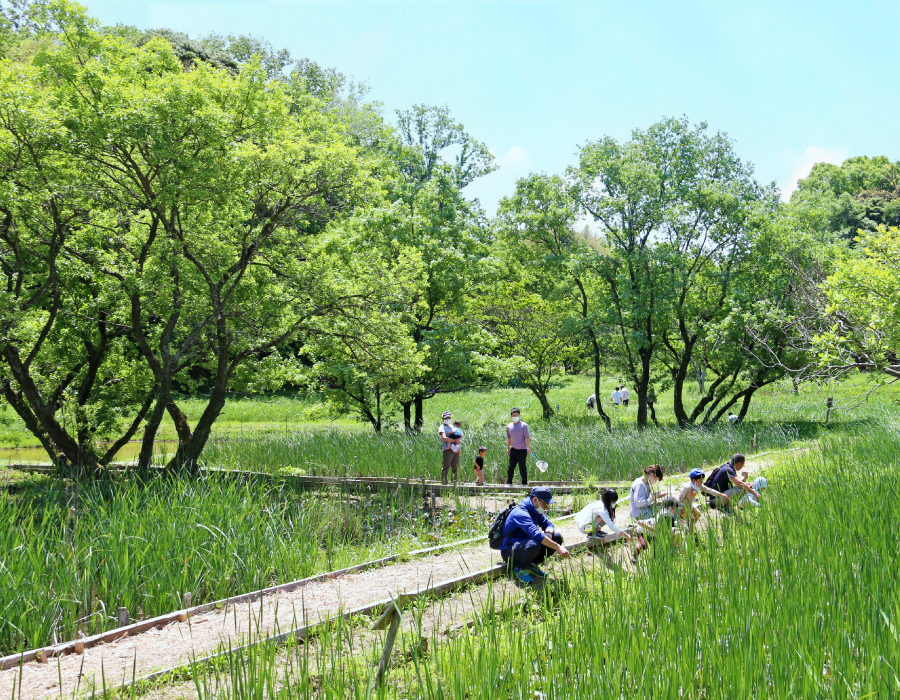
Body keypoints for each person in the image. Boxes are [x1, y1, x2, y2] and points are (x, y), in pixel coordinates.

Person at [499, 486, 570, 583]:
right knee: (535, 543)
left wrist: (549, 533)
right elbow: (535, 534)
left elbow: (548, 524)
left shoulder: (535, 510)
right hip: (510, 551)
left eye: (547, 505)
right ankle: (519, 568)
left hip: (525, 545)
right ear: (536, 500)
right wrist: (558, 548)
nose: (546, 508)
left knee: (556, 537)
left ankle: (531, 564)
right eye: (545, 504)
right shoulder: (520, 513)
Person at [677, 467, 728, 535]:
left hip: (689, 505)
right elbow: (680, 499)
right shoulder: (687, 487)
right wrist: (680, 509)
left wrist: (720, 494)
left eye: (702, 480)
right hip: (684, 506)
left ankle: (689, 529)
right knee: (692, 519)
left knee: (697, 515)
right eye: (700, 481)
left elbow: (708, 490)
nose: (702, 482)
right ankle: (691, 535)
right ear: (693, 480)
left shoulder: (698, 486)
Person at [505, 407, 531, 485]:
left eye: (517, 415)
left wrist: (527, 447)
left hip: (522, 450)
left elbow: (527, 437)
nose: (515, 416)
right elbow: (509, 438)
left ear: (519, 415)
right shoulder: (509, 426)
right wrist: (508, 449)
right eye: (514, 415)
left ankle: (524, 483)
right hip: (513, 449)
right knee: (511, 467)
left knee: (522, 466)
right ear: (511, 416)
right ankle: (509, 482)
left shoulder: (524, 425)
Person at [438, 411, 461, 485]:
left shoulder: (452, 426)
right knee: (446, 466)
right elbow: (444, 437)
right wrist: (453, 440)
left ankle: (454, 482)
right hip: (448, 450)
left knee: (455, 466)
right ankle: (444, 482)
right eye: (446, 418)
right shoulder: (442, 427)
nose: (448, 419)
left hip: (455, 449)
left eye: (449, 418)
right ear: (443, 418)